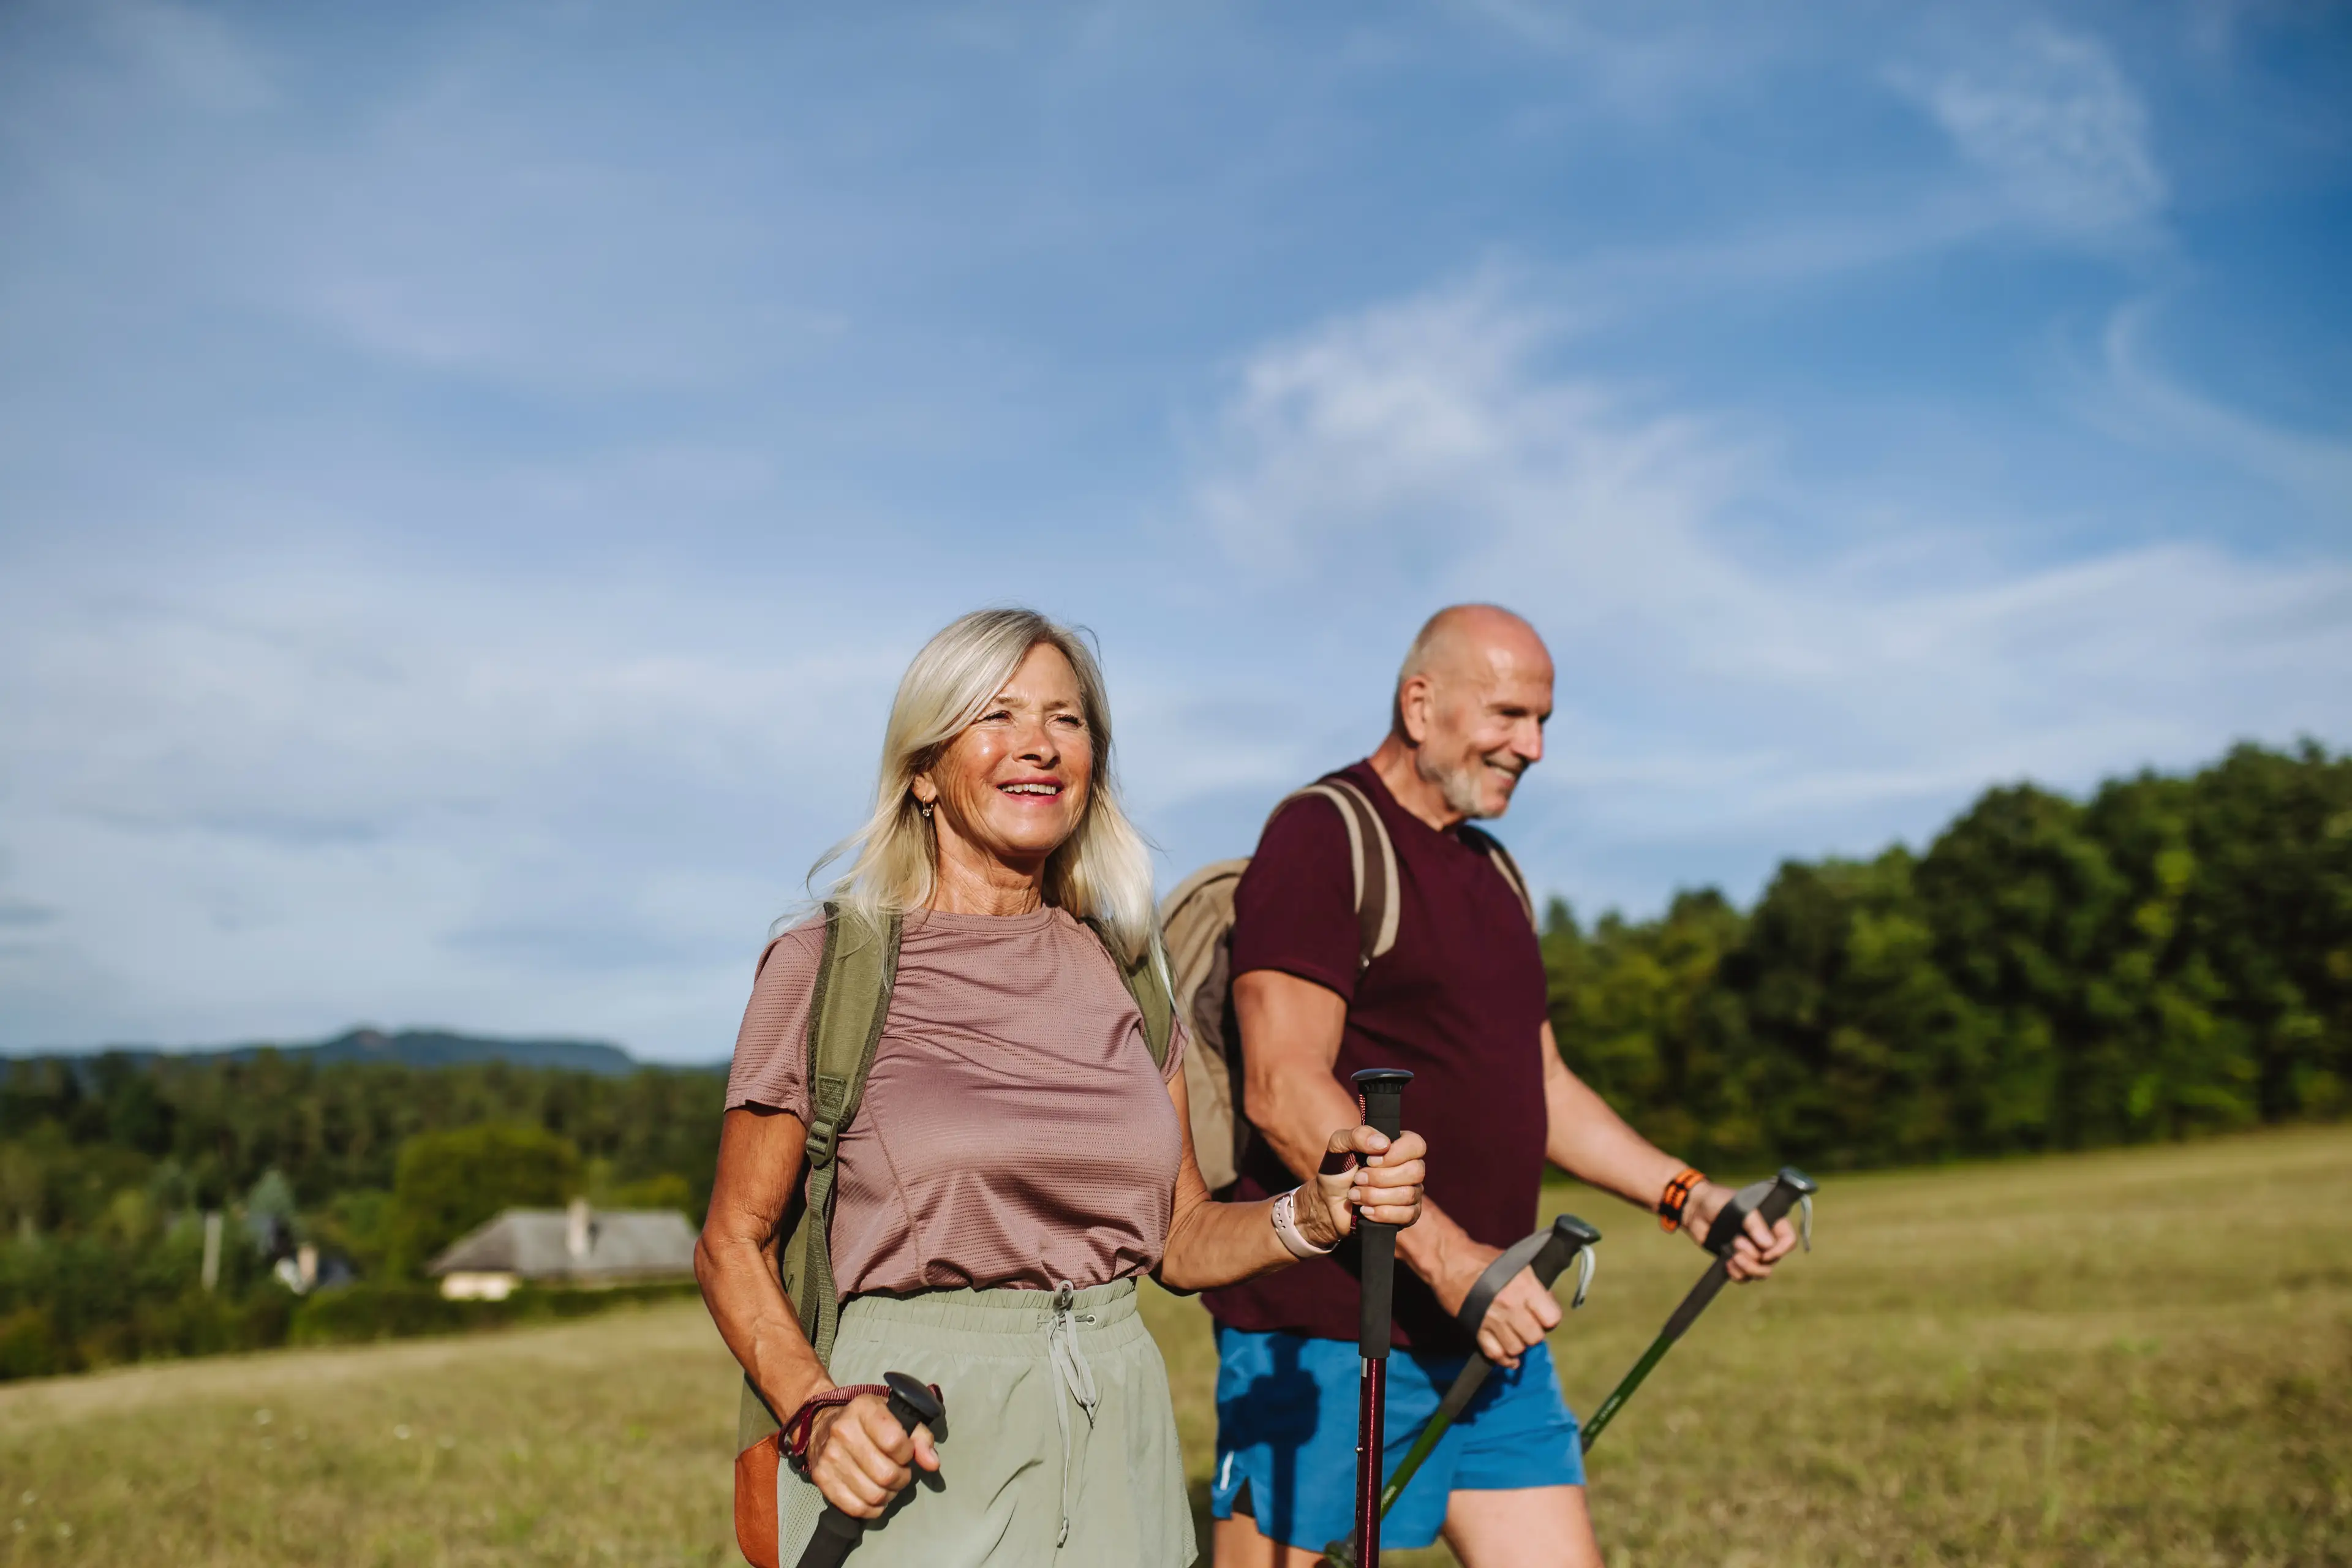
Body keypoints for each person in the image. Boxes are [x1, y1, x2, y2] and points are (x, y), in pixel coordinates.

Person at [696, 607, 1428, 1567]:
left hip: (1119, 1420)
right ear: (923, 769)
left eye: (1066, 721)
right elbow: (732, 1240)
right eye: (994, 716)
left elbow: (1179, 1235)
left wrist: (1316, 1214)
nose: (1037, 747)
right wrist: (816, 1410)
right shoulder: (826, 965)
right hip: (916, 1433)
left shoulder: (1125, 967)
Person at [1205, 604, 1800, 1568]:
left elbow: (1545, 1088)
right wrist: (1448, 1263)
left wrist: (1691, 1198)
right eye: (1511, 716)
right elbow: (1282, 1087)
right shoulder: (1325, 834)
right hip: (1328, 1340)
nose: (1532, 746)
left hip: (1491, 1341)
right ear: (1420, 702)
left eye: (1544, 723)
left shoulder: (1495, 874)